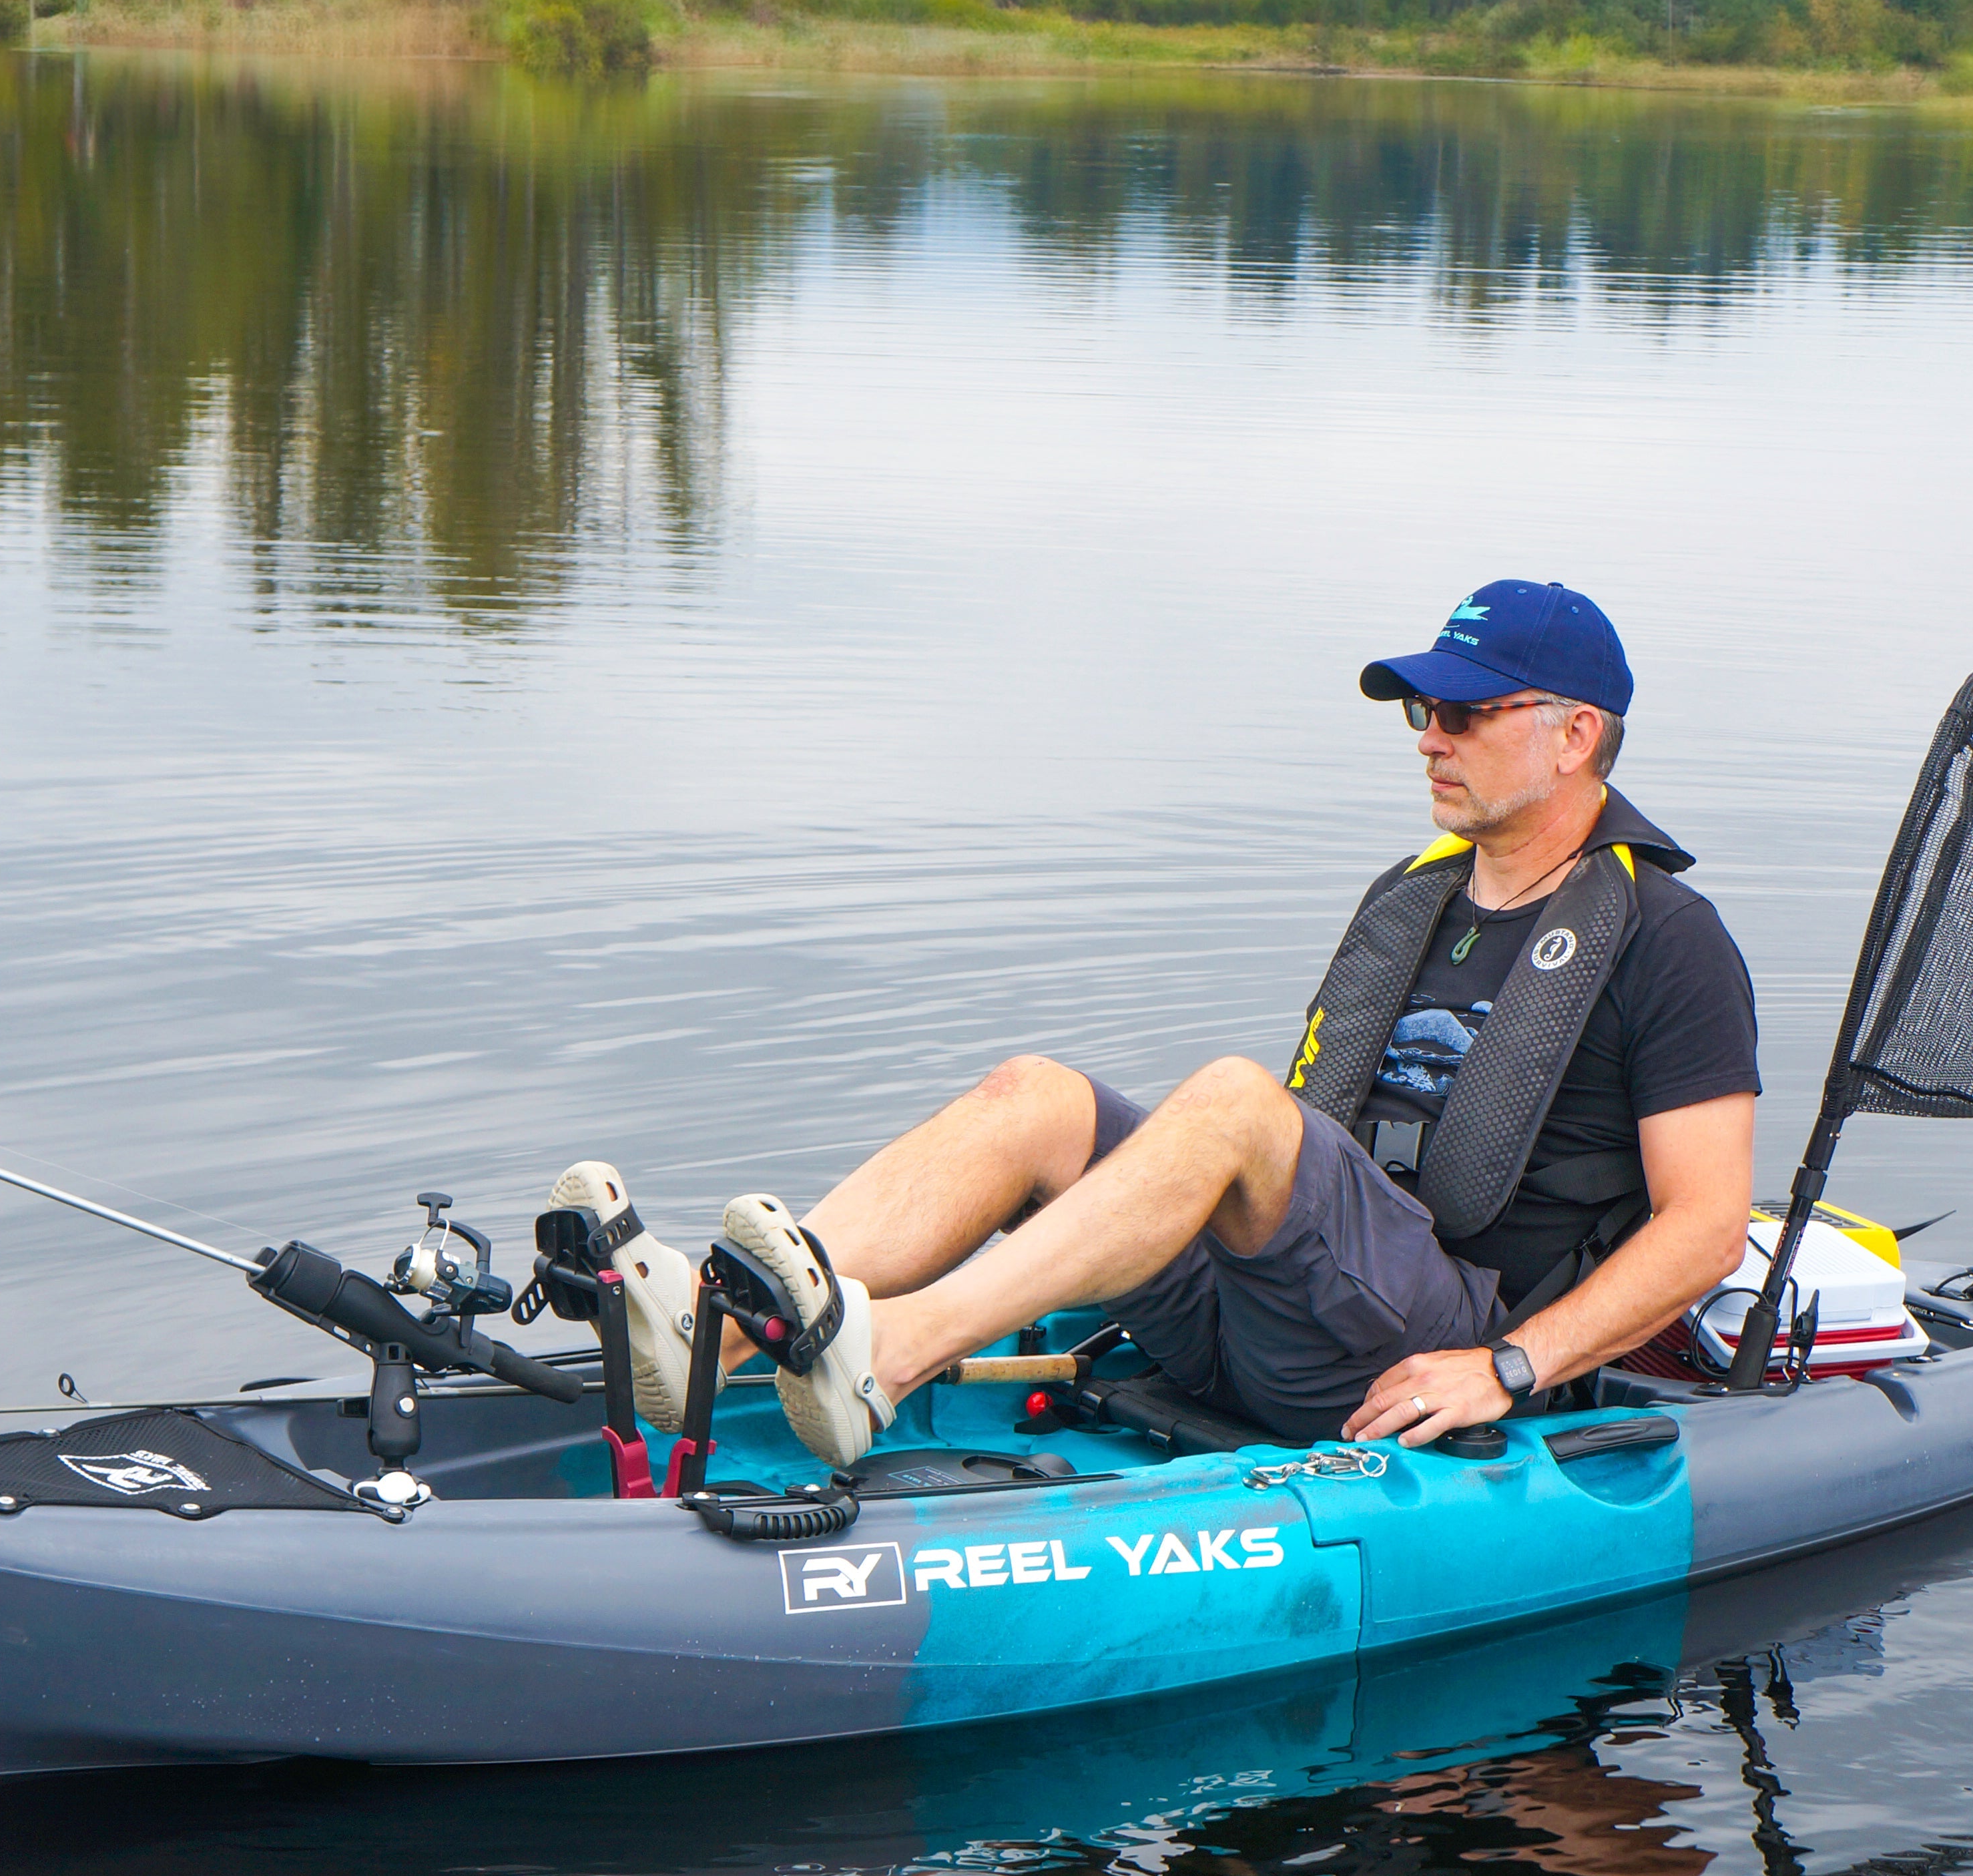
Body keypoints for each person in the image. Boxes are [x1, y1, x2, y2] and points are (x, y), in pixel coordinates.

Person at [556, 579, 1760, 1470]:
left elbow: (1706, 1229)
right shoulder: (1418, 897)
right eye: (1419, 711)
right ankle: (717, 1332)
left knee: (1235, 1100)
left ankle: (893, 1353)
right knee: (1036, 1095)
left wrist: (1508, 1368)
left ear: (1575, 734)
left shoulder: (1670, 940)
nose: (1429, 736)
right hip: (1285, 1311)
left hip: (1424, 1345)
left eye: (1464, 711)